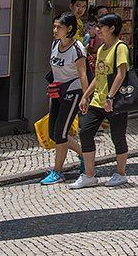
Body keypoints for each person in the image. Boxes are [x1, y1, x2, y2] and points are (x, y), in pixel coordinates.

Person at [72, 14, 131, 189]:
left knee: (118, 137)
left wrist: (110, 97)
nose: (97, 29)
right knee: (85, 132)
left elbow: (121, 74)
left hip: (115, 102)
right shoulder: (101, 49)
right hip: (97, 101)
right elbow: (98, 76)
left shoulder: (120, 47)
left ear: (111, 28)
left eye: (101, 26)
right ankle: (89, 175)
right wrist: (86, 96)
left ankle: (121, 173)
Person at [41, 12, 89, 185]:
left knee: (61, 132)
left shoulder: (77, 49)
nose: (55, 30)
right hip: (57, 92)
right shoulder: (55, 44)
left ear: (69, 29)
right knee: (54, 133)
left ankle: (57, 171)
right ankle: (84, 155)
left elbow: (83, 75)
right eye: (54, 26)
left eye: (59, 27)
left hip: (73, 92)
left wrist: (85, 97)